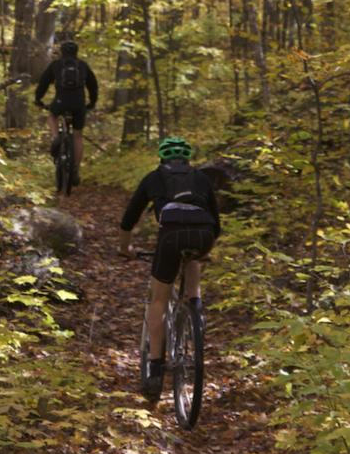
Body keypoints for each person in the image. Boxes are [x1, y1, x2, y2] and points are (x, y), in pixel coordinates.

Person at [118, 136, 221, 402]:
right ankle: (195, 306)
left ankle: (154, 368)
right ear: (187, 160)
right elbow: (217, 224)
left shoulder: (154, 178)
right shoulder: (201, 178)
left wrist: (125, 249)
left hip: (170, 236)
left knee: (159, 298)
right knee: (192, 259)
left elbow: (129, 219)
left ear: (162, 159)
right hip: (203, 236)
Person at [34, 39, 98, 186]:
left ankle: (56, 137)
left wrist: (38, 99)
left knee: (52, 115)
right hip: (78, 104)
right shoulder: (83, 65)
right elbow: (93, 87)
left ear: (62, 52)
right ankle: (75, 170)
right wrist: (92, 102)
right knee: (77, 136)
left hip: (60, 101)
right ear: (76, 52)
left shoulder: (56, 65)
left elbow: (43, 83)